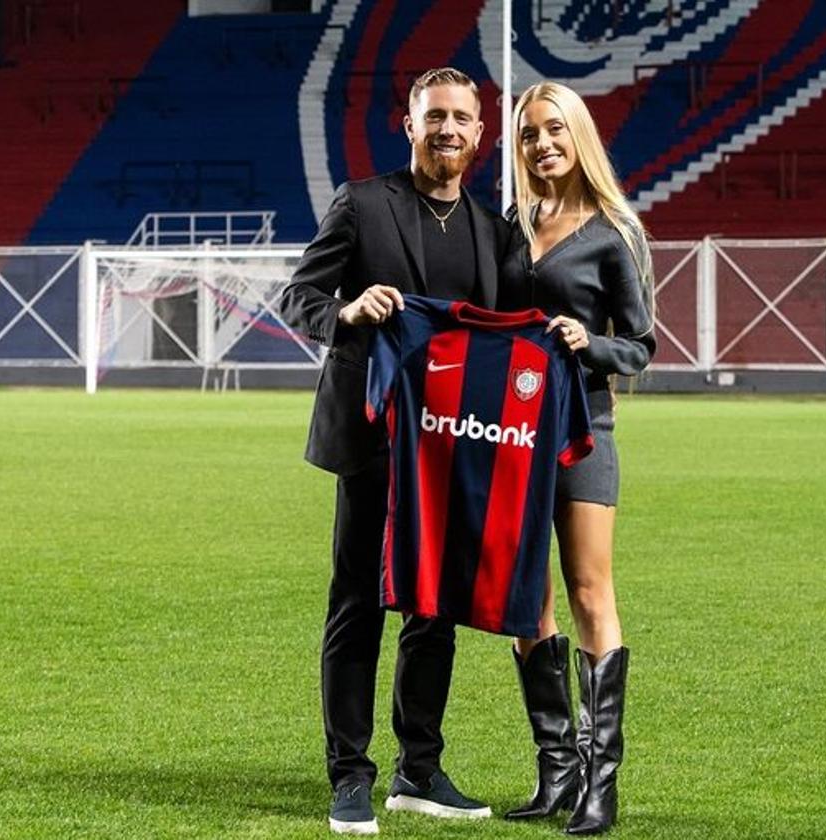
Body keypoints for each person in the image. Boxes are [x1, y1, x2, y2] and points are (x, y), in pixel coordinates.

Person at [278, 67, 509, 836]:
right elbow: (297, 296)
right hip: (371, 440)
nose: (448, 129)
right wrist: (345, 310)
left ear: (481, 134)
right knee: (357, 604)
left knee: (434, 609)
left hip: (451, 447)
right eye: (434, 116)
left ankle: (419, 770)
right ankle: (350, 774)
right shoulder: (361, 202)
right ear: (408, 126)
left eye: (461, 119)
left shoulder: (489, 231)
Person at [498, 81, 656, 835]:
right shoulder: (509, 225)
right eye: (529, 133)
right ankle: (555, 767)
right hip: (510, 437)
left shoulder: (613, 232)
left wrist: (587, 342)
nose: (542, 144)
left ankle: (601, 780)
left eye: (554, 129)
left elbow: (643, 346)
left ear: (578, 135)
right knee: (526, 600)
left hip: (584, 432)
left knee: (591, 594)